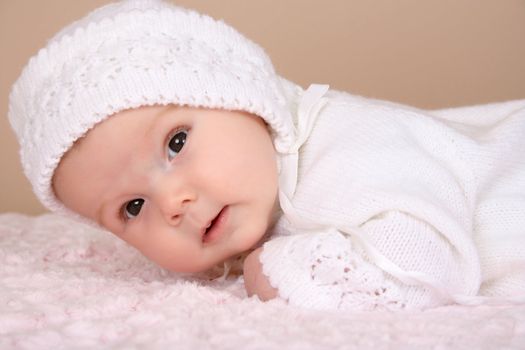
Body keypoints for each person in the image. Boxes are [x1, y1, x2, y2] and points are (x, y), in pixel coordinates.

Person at [8, 0, 525, 311]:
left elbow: (426, 261)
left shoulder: (349, 145)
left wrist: (286, 272)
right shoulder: (265, 192)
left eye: (176, 143)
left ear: (243, 97)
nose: (172, 202)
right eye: (132, 208)